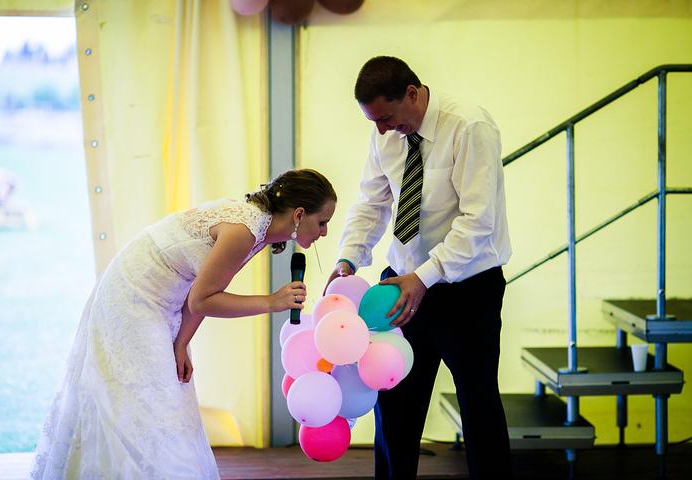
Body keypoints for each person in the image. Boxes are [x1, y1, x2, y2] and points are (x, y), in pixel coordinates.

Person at [31, 168, 337, 479]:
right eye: (322, 222)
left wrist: (180, 344)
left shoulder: (257, 227)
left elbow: (202, 290)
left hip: (162, 300)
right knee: (147, 404)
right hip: (133, 295)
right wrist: (271, 302)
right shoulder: (244, 230)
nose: (324, 232)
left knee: (167, 397)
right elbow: (202, 300)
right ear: (299, 214)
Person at [328, 56, 512, 479]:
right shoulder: (387, 133)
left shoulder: (469, 126)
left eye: (386, 118)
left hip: (467, 288)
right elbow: (372, 203)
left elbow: (478, 222)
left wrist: (424, 277)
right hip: (399, 284)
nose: (381, 130)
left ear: (412, 94)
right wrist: (348, 258)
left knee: (478, 404)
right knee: (394, 406)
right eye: (374, 122)